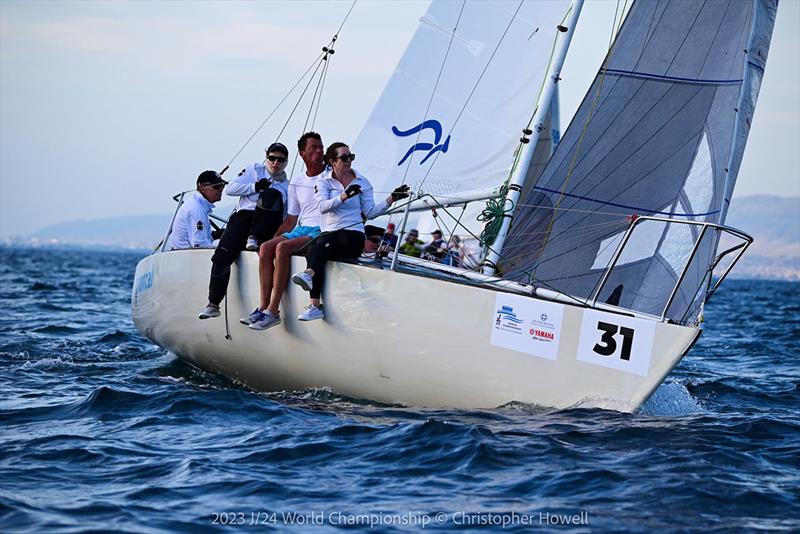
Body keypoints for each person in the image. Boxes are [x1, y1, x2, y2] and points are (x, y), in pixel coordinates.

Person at [290, 142, 410, 321]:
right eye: (344, 158)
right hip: (329, 236)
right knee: (316, 248)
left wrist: (391, 199)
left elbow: (369, 213)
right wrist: (344, 196)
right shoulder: (323, 182)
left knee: (319, 246)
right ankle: (314, 305)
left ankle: (309, 277)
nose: (349, 161)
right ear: (332, 161)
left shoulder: (362, 182)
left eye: (350, 157)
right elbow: (321, 207)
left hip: (353, 237)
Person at [198, 143, 290, 320]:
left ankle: (254, 237)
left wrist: (278, 237)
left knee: (271, 196)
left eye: (280, 160)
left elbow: (287, 215)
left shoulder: (287, 186)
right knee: (222, 255)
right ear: (266, 157)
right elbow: (231, 189)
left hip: (267, 225)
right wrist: (255, 187)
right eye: (272, 158)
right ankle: (213, 304)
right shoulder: (253, 170)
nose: (275, 163)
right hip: (243, 219)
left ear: (286, 162)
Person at [244, 132, 325, 330]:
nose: (319, 151)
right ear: (302, 153)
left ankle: (273, 311)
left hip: (322, 228)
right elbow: (290, 219)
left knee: (282, 248)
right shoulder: (296, 182)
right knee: (265, 248)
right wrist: (273, 239)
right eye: (313, 147)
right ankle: (263, 308)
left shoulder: (331, 176)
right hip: (302, 227)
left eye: (320, 147)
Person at [166, 170, 226, 250]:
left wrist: (215, 235)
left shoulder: (198, 205)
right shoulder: (197, 209)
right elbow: (199, 244)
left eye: (222, 186)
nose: (221, 189)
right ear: (203, 188)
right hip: (187, 258)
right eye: (216, 186)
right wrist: (225, 242)